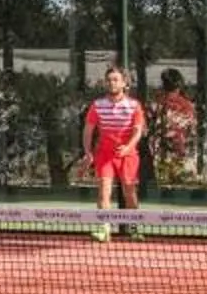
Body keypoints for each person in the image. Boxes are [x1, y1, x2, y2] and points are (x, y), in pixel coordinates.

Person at [82, 65, 145, 236]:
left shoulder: (134, 106)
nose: (112, 83)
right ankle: (104, 228)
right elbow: (88, 130)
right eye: (109, 80)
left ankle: (134, 227)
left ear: (125, 83)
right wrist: (88, 152)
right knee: (104, 190)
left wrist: (128, 148)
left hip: (128, 155)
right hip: (105, 154)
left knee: (129, 192)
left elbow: (138, 131)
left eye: (116, 80)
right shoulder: (97, 105)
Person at [150, 69, 200, 188]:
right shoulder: (187, 105)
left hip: (162, 150)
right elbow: (192, 128)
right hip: (182, 149)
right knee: (182, 185)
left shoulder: (157, 103)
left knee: (164, 184)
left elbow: (151, 126)